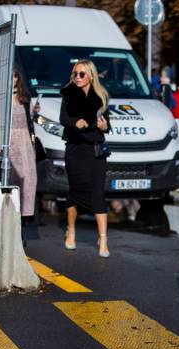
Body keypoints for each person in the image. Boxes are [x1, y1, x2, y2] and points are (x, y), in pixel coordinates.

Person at [59, 59, 111, 258]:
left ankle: (103, 239)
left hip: (96, 150)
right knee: (75, 192)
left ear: (91, 76)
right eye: (75, 74)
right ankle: (71, 231)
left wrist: (104, 126)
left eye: (82, 74)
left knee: (98, 192)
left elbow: (108, 124)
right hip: (75, 149)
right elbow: (63, 118)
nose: (77, 78)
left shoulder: (101, 96)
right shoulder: (69, 93)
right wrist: (75, 122)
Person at [0, 67, 37, 224]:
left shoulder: (24, 98)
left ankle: (22, 221)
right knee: (8, 181)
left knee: (28, 180)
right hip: (7, 144)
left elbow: (30, 122)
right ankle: (7, 220)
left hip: (25, 146)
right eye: (10, 76)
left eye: (15, 76)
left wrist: (35, 113)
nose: (13, 79)